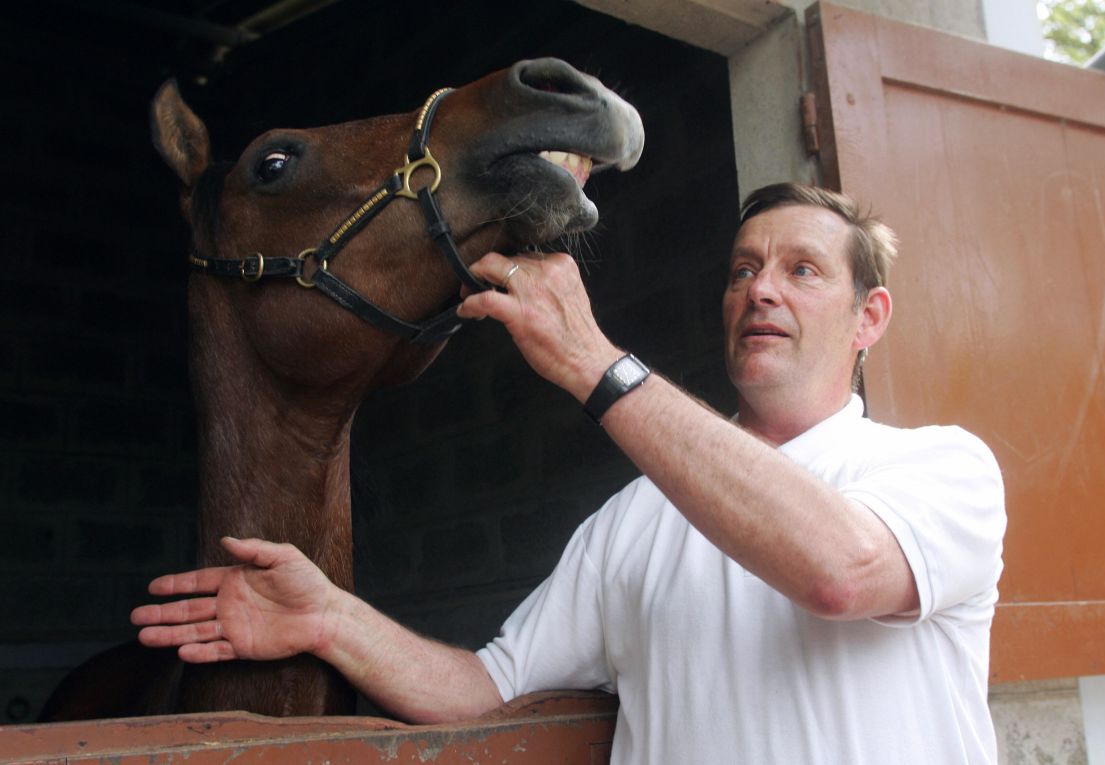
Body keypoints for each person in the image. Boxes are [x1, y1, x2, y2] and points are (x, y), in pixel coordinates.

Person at [132, 183, 1006, 763]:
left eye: (802, 270)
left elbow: (841, 572)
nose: (761, 290)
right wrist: (330, 616)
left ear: (870, 317)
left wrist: (593, 360)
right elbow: (486, 688)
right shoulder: (633, 518)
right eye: (743, 270)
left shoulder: (939, 467)